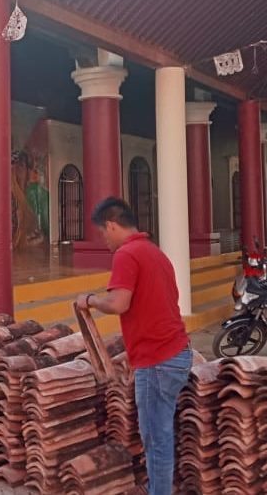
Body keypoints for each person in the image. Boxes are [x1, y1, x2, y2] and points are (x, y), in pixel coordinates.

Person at [75, 197, 191, 495]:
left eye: (103, 232)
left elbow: (118, 303)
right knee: (161, 432)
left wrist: (89, 300)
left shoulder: (127, 254)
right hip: (175, 351)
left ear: (112, 225)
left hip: (157, 360)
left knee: (156, 438)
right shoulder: (155, 253)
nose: (103, 240)